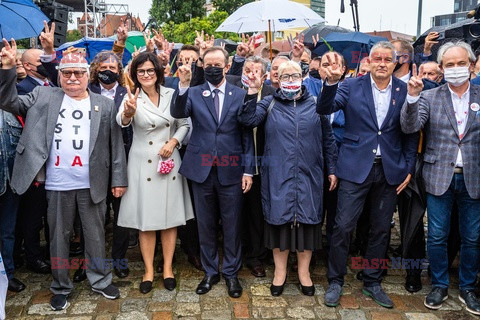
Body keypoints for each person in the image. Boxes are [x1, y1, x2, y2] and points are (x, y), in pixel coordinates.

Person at [0, 39, 127, 311]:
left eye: (78, 73)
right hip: (57, 183)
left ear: (86, 75)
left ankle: (101, 280)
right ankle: (60, 285)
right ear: (59, 75)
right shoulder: (44, 96)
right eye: (67, 72)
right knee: (58, 238)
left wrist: (118, 179)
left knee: (95, 235)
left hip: (92, 182)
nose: (72, 77)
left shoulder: (103, 105)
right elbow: (8, 101)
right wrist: (8, 69)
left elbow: (115, 145)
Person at [317, 42, 418, 309]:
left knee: (381, 229)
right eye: (377, 58)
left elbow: (410, 133)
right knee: (342, 226)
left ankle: (372, 280)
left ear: (395, 63)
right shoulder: (351, 86)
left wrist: (408, 168)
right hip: (354, 167)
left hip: (389, 170)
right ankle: (335, 280)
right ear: (369, 61)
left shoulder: (405, 90)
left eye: (387, 59)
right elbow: (325, 109)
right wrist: (331, 83)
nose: (382, 63)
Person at [239, 60, 337, 297]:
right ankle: (280, 272)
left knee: (308, 223)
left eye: (294, 75)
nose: (290, 80)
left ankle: (304, 273)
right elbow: (247, 120)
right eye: (285, 77)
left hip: (310, 173)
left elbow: (328, 139)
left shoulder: (316, 103)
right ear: (278, 80)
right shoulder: (269, 103)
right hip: (278, 173)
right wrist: (252, 92)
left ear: (303, 77)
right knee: (279, 222)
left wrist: (332, 168)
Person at [401, 40, 480, 316]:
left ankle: (468, 287)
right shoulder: (430, 97)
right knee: (436, 235)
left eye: (461, 64)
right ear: (442, 69)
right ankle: (439, 285)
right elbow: (410, 126)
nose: (456, 68)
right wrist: (411, 97)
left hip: (474, 177)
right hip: (438, 176)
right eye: (450, 65)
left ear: (471, 66)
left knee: (472, 237)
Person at [171, 46, 254, 298]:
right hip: (201, 169)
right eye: (207, 65)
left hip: (232, 168)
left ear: (227, 67)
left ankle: (230, 272)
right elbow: (178, 112)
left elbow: (246, 134)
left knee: (232, 224)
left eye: (217, 64)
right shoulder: (194, 92)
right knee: (205, 225)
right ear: (202, 66)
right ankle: (210, 271)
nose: (212, 68)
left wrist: (248, 170)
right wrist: (183, 84)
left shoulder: (240, 94)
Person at [117, 52, 193, 294]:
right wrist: (129, 111)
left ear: (158, 72)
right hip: (143, 163)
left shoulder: (172, 94)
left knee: (170, 218)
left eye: (150, 70)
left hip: (170, 160)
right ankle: (149, 270)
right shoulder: (131, 97)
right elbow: (123, 121)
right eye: (141, 71)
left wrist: (173, 142)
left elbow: (185, 124)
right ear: (135, 75)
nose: (146, 75)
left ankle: (168, 268)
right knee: (146, 222)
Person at [226, 56, 275, 278]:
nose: (252, 74)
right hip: (235, 161)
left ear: (264, 76)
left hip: (263, 161)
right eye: (247, 69)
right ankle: (234, 252)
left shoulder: (271, 95)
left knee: (257, 212)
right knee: (235, 212)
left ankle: (255, 256)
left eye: (257, 70)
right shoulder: (232, 91)